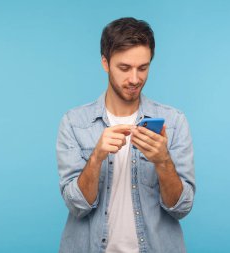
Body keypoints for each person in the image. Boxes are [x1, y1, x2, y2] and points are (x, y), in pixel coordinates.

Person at [56, 17, 195, 253]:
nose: (134, 79)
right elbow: (77, 206)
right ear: (105, 63)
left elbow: (180, 208)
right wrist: (97, 156)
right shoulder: (74, 122)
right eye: (124, 68)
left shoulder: (173, 122)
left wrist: (162, 161)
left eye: (143, 68)